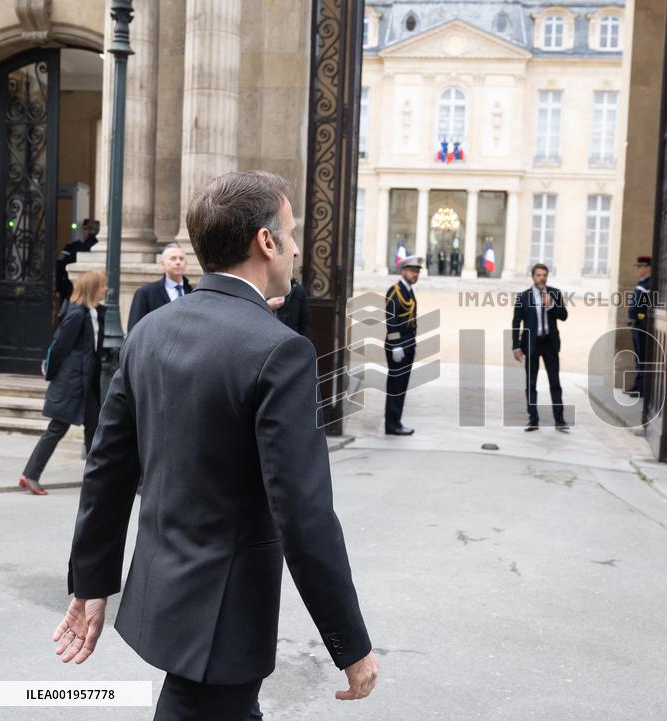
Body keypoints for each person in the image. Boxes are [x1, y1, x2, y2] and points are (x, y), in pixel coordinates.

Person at [54, 171, 378, 720]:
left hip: (168, 593)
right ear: (266, 241)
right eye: (292, 232)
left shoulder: (150, 331)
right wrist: (352, 644)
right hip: (225, 615)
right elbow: (304, 514)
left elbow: (107, 469)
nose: (297, 248)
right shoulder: (282, 351)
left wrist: (91, 581)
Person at [19, 269, 107, 496]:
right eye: (102, 286)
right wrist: (53, 376)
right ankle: (30, 475)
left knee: (96, 430)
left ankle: (96, 478)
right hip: (72, 383)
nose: (106, 289)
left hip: (87, 384)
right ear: (92, 289)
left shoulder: (95, 313)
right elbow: (59, 347)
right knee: (57, 429)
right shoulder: (77, 314)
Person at [512, 263, 569, 432]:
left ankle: (559, 420)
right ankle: (533, 420)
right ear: (532, 277)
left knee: (555, 382)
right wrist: (516, 346)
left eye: (544, 275)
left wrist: (551, 305)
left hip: (550, 344)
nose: (542, 278)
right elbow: (516, 322)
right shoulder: (523, 297)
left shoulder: (554, 293)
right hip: (531, 344)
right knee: (531, 383)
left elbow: (564, 316)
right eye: (538, 275)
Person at [384, 255, 422, 435]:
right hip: (398, 346)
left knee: (401, 386)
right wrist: (396, 345)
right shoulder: (395, 291)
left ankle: (395, 421)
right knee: (395, 386)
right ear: (404, 271)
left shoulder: (407, 290)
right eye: (413, 271)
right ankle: (392, 424)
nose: (415, 275)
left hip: (408, 344)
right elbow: (391, 320)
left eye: (417, 272)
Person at [127, 242, 193, 332]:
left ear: (186, 263)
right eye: (173, 258)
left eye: (181, 259)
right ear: (163, 263)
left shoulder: (192, 292)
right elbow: (134, 329)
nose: (178, 262)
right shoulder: (146, 293)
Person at [56, 219, 100, 306]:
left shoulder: (73, 247)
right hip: (93, 289)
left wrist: (59, 287)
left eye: (86, 229)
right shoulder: (101, 248)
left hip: (72, 289)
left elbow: (60, 265)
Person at [625, 255, 652, 397]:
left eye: (640, 267)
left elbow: (646, 307)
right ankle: (637, 385)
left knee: (642, 357)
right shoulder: (643, 283)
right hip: (637, 324)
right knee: (638, 356)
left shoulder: (649, 284)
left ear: (648, 268)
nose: (638, 270)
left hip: (643, 325)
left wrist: (640, 319)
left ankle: (641, 387)